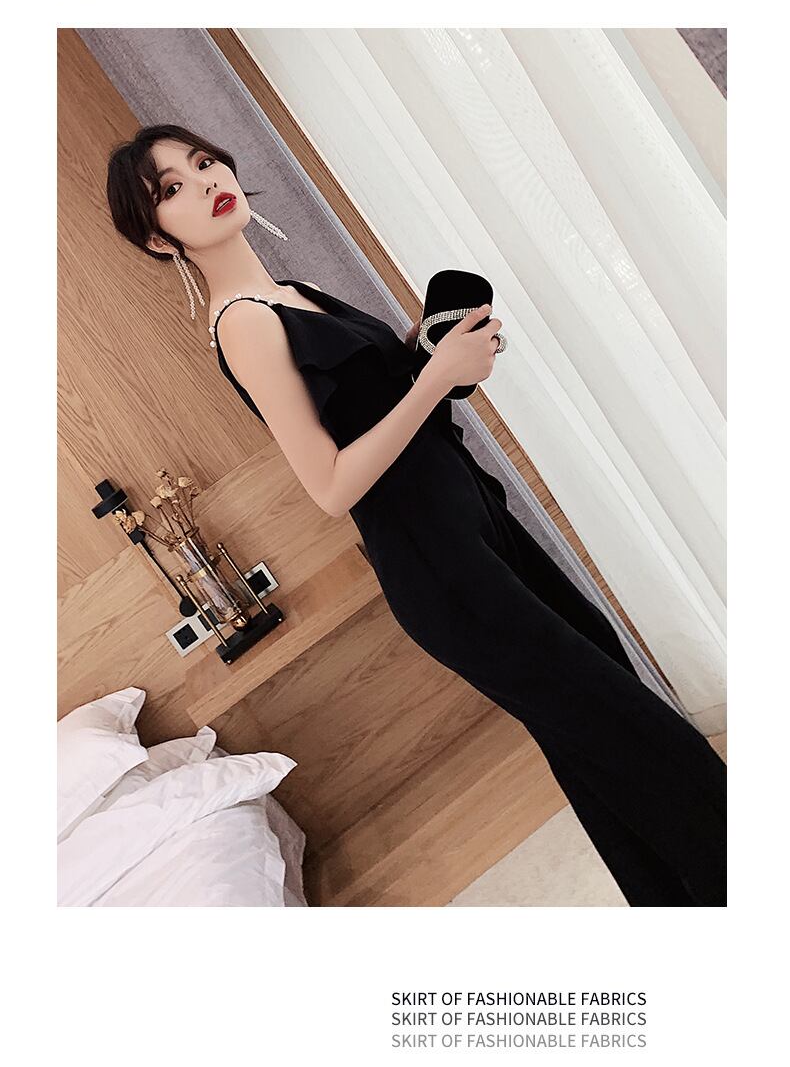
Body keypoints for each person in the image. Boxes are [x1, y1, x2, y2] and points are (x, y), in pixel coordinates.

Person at [106, 124, 726, 907]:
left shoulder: (292, 292)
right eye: (171, 188)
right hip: (442, 567)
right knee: (635, 733)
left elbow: (377, 409)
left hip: (479, 524)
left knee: (597, 738)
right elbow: (331, 485)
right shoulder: (244, 322)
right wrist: (433, 379)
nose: (203, 182)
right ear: (157, 238)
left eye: (202, 162)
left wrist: (429, 355)